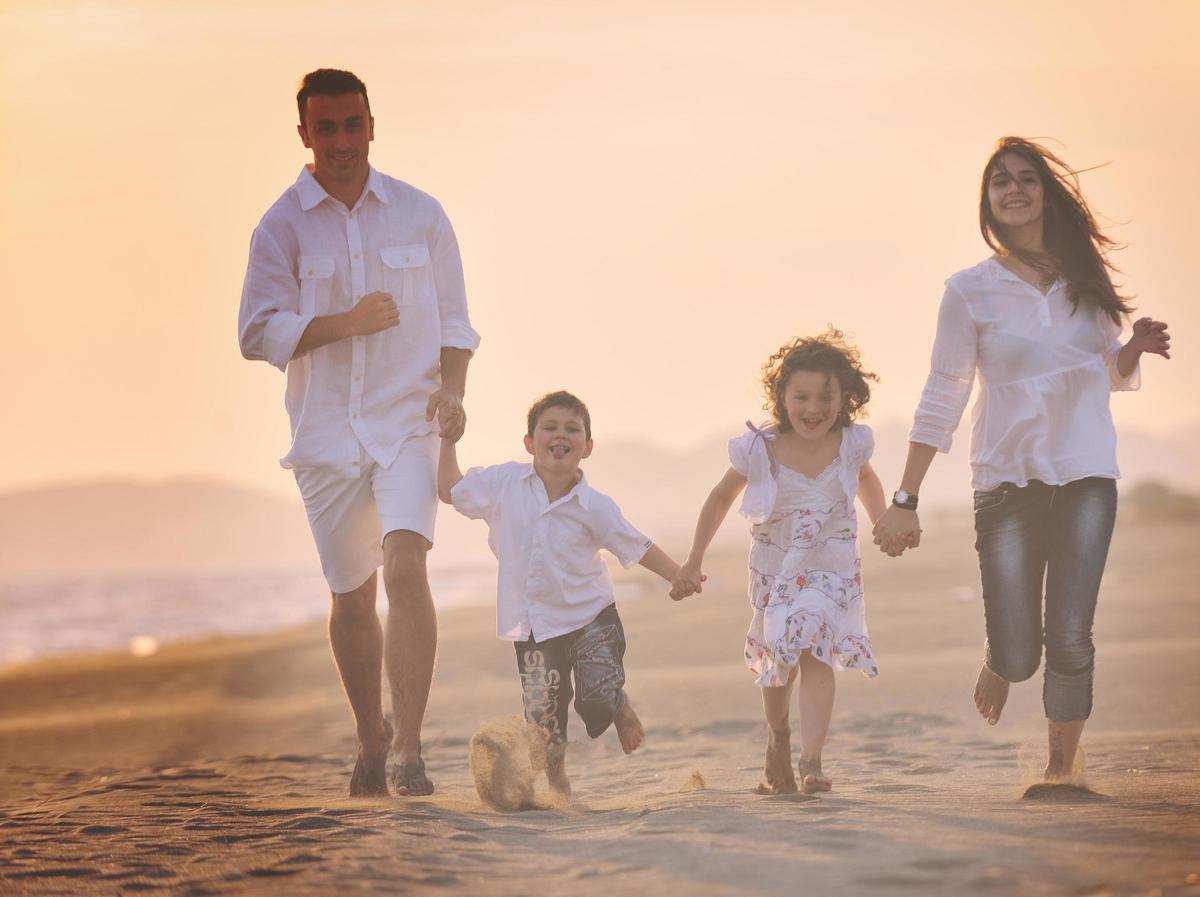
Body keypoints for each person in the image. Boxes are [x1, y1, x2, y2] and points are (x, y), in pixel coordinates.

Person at [872, 137, 1172, 784]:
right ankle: (1001, 657)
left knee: (1069, 632)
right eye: (1000, 181)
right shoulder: (969, 292)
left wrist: (1133, 351)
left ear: (1045, 193)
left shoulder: (1085, 281)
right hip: (1006, 481)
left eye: (1026, 179)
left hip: (1086, 474)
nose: (1013, 189)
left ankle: (1060, 767)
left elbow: (1103, 372)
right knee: (1019, 647)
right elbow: (943, 394)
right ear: (987, 201)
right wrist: (906, 499)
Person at [238, 69, 478, 797]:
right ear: (305, 134)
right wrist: (344, 323)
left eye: (353, 124)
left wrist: (456, 395)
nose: (342, 141)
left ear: (372, 125)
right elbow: (254, 332)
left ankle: (407, 750)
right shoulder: (280, 226)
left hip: (409, 421)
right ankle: (369, 738)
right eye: (327, 128)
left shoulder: (421, 214)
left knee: (407, 567)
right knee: (352, 593)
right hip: (324, 436)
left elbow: (457, 323)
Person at [439, 391, 686, 802]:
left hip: (592, 618)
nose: (560, 435)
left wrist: (677, 574)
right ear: (529, 442)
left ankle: (617, 704)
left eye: (572, 430)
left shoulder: (595, 506)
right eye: (549, 427)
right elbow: (451, 491)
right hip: (534, 625)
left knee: (596, 698)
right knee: (543, 721)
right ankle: (557, 781)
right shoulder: (503, 485)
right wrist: (447, 441)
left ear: (587, 447)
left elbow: (635, 545)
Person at [673, 330, 886, 794]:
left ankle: (812, 759)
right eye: (801, 397)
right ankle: (779, 735)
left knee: (814, 646)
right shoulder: (761, 449)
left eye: (825, 397)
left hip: (832, 566)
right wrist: (693, 558)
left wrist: (883, 519)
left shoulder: (851, 444)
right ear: (781, 397)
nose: (813, 408)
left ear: (845, 398)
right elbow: (719, 497)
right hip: (776, 570)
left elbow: (867, 480)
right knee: (780, 659)